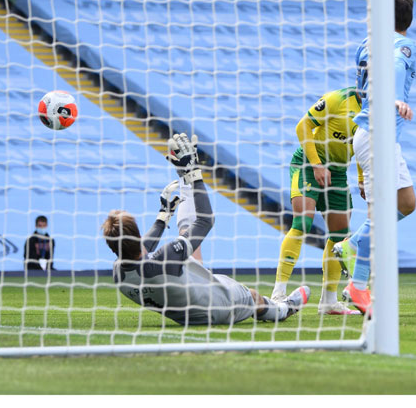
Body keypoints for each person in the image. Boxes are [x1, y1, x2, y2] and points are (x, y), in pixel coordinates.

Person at [102, 133, 309, 326]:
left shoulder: (118, 273)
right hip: (219, 306)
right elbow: (205, 221)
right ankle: (283, 309)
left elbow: (140, 248)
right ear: (137, 236)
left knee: (189, 255)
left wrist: (162, 218)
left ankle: (184, 183)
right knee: (252, 296)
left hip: (186, 312)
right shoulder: (163, 260)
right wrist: (194, 174)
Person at [334, 0, 416, 316]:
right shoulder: (403, 47)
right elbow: (396, 68)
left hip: (376, 136)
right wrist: (395, 99)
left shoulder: (366, 45)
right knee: (379, 217)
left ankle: (351, 244)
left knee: (406, 203)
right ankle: (357, 284)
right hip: (378, 135)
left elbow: (361, 87)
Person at [272, 86, 363, 315]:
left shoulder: (376, 111)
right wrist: (316, 164)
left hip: (339, 172)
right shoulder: (337, 99)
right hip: (309, 163)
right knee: (302, 222)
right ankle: (278, 292)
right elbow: (303, 126)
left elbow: (364, 147)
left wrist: (362, 178)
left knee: (339, 236)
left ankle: (328, 302)